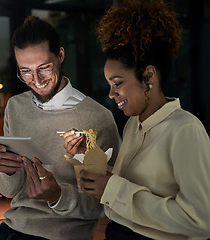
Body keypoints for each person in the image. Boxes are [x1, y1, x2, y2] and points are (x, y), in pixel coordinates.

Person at [63, 1, 210, 239]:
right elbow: (127, 185)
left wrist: (112, 189)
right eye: (110, 84)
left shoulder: (185, 129)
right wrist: (86, 154)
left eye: (118, 83)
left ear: (149, 75)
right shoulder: (134, 124)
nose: (111, 94)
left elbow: (201, 221)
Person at [0, 16, 120, 240]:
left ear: (60, 55)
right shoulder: (15, 106)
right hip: (11, 228)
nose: (36, 80)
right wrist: (5, 170)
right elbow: (9, 191)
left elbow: (103, 205)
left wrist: (57, 196)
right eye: (25, 71)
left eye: (44, 68)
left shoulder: (97, 117)